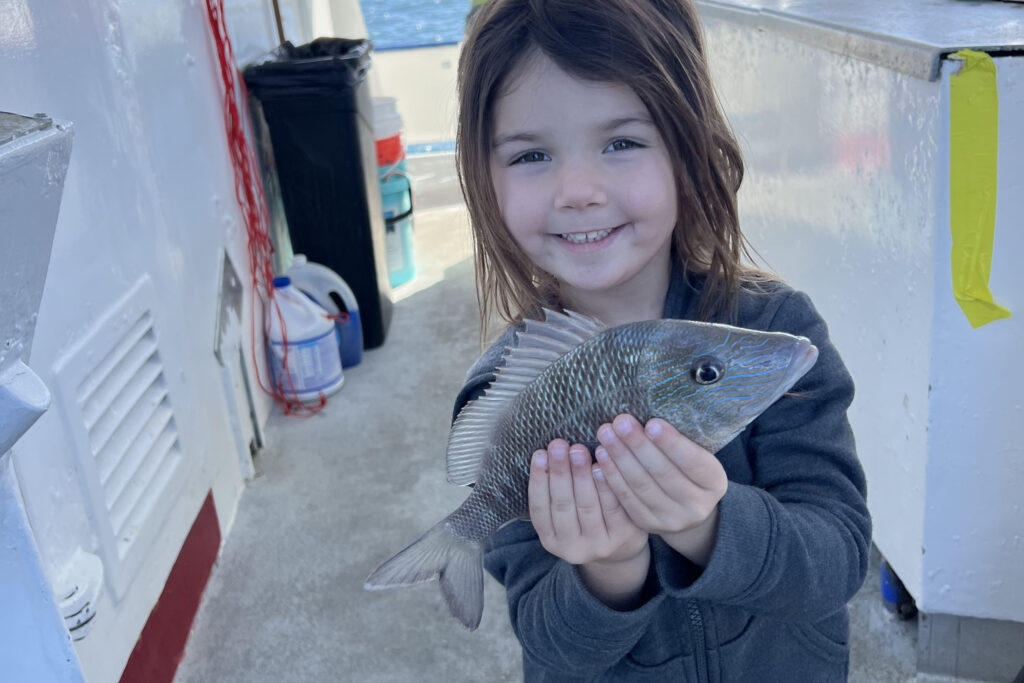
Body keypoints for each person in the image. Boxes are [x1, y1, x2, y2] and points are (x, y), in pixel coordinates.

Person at [450, 0, 871, 680]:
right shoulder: (507, 392)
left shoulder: (776, 328)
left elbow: (838, 556)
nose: (578, 190)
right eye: (531, 154)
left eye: (621, 142)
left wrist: (708, 525)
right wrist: (609, 567)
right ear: (484, 179)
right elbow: (551, 645)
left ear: (686, 145)